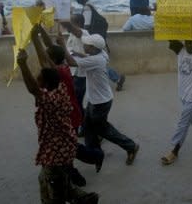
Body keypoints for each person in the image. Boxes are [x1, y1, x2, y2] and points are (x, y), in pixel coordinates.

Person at [16, 49, 99, 204]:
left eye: (38, 79)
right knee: (58, 178)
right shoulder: (60, 87)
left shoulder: (50, 100)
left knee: (52, 186)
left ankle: (75, 198)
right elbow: (47, 64)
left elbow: (33, 89)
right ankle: (83, 198)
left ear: (45, 84)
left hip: (56, 152)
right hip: (64, 146)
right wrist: (35, 36)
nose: (36, 80)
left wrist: (22, 64)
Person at [58, 33, 140, 165]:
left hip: (100, 103)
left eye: (87, 45)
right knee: (89, 127)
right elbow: (87, 57)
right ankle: (94, 153)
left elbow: (71, 62)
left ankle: (130, 146)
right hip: (97, 100)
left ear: (94, 48)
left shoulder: (96, 60)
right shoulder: (100, 54)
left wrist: (62, 45)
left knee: (103, 129)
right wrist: (79, 54)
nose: (84, 45)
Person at [75, 0, 126, 91]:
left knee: (95, 63)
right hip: (95, 39)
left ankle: (117, 78)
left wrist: (83, 38)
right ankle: (116, 78)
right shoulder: (91, 6)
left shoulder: (87, 9)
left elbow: (86, 26)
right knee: (96, 64)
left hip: (91, 42)